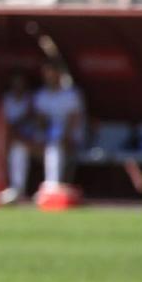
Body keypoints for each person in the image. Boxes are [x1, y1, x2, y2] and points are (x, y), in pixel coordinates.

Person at [31, 64, 86, 198]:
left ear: (59, 74)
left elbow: (74, 121)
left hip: (71, 138)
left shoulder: (71, 94)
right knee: (19, 147)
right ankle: (17, 190)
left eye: (51, 73)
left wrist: (65, 137)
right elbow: (40, 122)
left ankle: (52, 189)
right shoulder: (41, 95)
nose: (49, 77)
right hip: (46, 137)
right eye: (46, 74)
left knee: (54, 147)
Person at [0, 71, 40, 205]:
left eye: (21, 83)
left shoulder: (31, 100)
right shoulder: (6, 99)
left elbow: (34, 122)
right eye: (16, 83)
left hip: (29, 139)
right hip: (6, 139)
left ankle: (18, 190)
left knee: (19, 149)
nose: (18, 86)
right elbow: (2, 123)